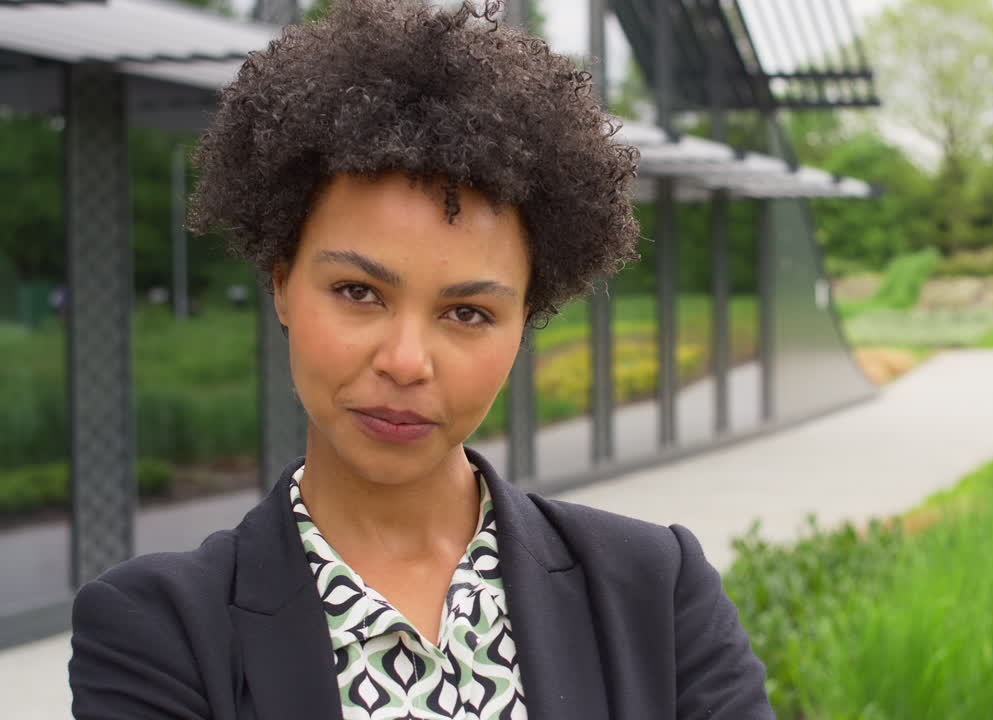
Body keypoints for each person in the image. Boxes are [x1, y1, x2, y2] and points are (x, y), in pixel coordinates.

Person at [67, 1, 774, 718]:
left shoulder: (655, 592)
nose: (406, 362)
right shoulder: (157, 630)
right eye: (358, 292)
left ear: (524, 323)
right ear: (282, 283)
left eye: (467, 313)